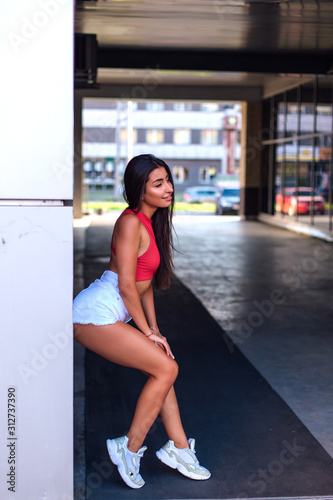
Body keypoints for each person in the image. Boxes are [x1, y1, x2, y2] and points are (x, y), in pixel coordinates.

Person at [73, 154, 211, 489]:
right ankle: (129, 446)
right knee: (167, 369)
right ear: (140, 189)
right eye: (158, 183)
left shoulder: (151, 222)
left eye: (168, 180)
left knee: (163, 364)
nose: (169, 188)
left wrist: (155, 330)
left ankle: (179, 448)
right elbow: (124, 284)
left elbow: (144, 286)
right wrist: (146, 331)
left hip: (115, 311)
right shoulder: (131, 221)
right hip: (95, 314)